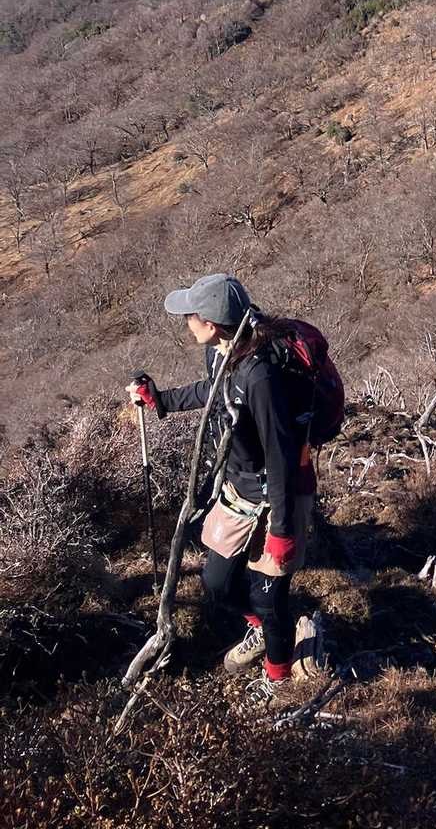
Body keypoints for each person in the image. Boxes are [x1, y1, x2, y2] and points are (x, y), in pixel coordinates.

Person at [126, 273, 316, 699]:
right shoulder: (221, 353)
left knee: (269, 597)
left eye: (190, 316)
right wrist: (162, 400)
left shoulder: (261, 376)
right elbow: (214, 393)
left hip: (279, 495)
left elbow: (282, 455)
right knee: (218, 583)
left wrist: (283, 530)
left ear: (211, 324)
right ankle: (261, 630)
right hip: (238, 489)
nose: (186, 323)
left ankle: (278, 679)